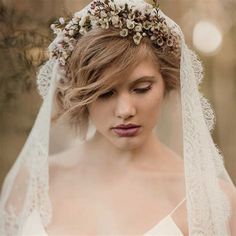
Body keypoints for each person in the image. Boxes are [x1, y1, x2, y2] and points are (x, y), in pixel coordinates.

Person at [0, 0, 235, 235]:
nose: (125, 110)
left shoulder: (211, 200)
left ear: (168, 82)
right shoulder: (32, 183)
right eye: (105, 93)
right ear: (81, 95)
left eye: (141, 88)